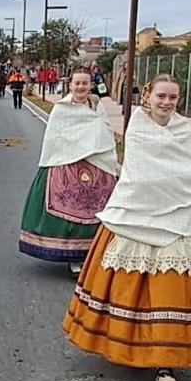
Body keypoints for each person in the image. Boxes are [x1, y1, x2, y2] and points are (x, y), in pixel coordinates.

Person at [63, 75, 191, 381]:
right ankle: (126, 346)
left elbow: (186, 168)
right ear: (148, 96)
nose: (167, 102)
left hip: (179, 219)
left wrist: (187, 185)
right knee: (129, 290)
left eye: (173, 97)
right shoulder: (137, 127)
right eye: (162, 96)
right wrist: (171, 186)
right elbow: (141, 173)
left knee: (174, 293)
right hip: (137, 214)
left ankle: (166, 361)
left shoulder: (182, 129)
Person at [20, 70, 119, 273]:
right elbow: (55, 138)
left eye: (85, 83)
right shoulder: (61, 109)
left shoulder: (97, 107)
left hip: (96, 163)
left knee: (97, 210)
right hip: (67, 163)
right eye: (77, 83)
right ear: (70, 85)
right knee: (70, 210)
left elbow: (105, 131)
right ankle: (73, 257)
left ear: (90, 85)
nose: (81, 87)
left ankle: (92, 254)